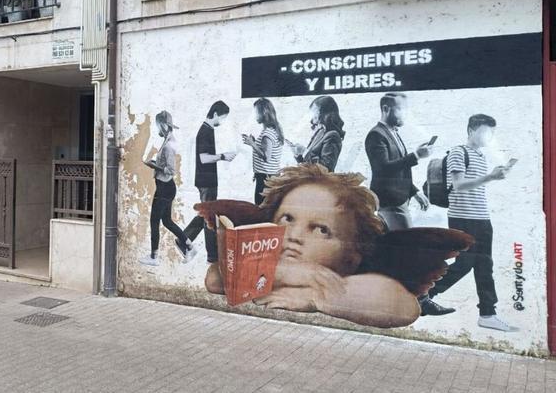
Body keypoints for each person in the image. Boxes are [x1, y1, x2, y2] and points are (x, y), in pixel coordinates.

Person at [198, 164, 424, 328]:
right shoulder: (262, 266)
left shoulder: (343, 283)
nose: (294, 235)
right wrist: (281, 271)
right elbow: (214, 279)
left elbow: (404, 306)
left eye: (321, 229)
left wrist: (318, 297)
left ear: (350, 258)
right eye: (287, 218)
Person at [422, 114, 516, 332]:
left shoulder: (480, 156)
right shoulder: (458, 152)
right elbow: (459, 185)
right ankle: (424, 294)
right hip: (463, 217)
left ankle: (488, 313)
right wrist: (490, 178)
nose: (488, 136)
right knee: (465, 263)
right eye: (484, 131)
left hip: (482, 218)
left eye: (491, 133)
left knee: (485, 265)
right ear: (471, 130)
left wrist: (495, 176)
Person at [182, 102, 236, 280]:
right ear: (215, 114)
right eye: (222, 117)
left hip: (207, 180)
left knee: (207, 215)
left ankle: (184, 239)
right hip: (207, 181)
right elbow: (204, 159)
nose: (222, 121)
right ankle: (212, 255)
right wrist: (223, 156)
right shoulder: (205, 131)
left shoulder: (207, 130)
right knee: (209, 218)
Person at [364, 93, 431, 231]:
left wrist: (414, 192)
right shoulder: (376, 135)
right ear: (386, 109)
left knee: (397, 246)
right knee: (406, 245)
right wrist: (417, 155)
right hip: (390, 202)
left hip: (398, 200)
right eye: (401, 109)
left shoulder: (393, 133)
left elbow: (399, 171)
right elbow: (383, 169)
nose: (405, 114)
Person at [139, 111, 194, 266]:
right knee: (167, 221)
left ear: (163, 125)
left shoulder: (169, 145)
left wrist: (153, 165)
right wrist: (156, 165)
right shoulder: (167, 141)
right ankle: (189, 245)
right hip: (166, 187)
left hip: (164, 188)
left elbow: (170, 170)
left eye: (158, 125)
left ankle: (154, 257)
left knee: (154, 220)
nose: (158, 128)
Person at [242, 98, 284, 205]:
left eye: (256, 112)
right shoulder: (273, 130)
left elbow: (267, 157)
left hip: (266, 178)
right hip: (269, 176)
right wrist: (255, 143)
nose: (255, 116)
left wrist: (252, 143)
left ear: (264, 113)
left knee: (260, 207)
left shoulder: (267, 134)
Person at [291, 95, 344, 172]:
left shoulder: (332, 135)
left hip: (321, 182)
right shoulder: (320, 132)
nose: (312, 116)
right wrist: (298, 155)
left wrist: (304, 152)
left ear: (324, 113)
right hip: (311, 178)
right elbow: (307, 164)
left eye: (314, 111)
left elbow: (326, 168)